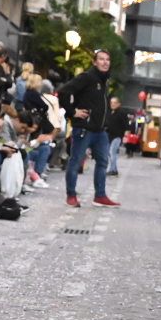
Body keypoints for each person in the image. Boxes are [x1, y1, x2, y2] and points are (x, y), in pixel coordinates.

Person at [58, 50, 118, 208]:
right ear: (94, 62)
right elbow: (64, 91)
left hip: (100, 130)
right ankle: (71, 195)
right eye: (101, 59)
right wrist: (72, 112)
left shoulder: (105, 80)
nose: (105, 62)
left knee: (103, 162)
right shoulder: (87, 77)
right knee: (76, 161)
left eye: (107, 59)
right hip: (85, 128)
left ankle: (100, 196)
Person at [104, 96, 128, 176]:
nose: (112, 104)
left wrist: (125, 136)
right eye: (111, 102)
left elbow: (126, 125)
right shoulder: (110, 112)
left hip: (117, 136)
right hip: (108, 135)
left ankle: (111, 169)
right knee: (109, 153)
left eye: (114, 103)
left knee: (112, 152)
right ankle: (114, 169)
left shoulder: (122, 113)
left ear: (118, 104)